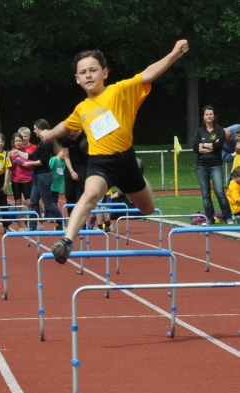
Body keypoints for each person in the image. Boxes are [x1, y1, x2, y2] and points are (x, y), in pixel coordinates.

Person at [39, 40, 190, 264]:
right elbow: (68, 124)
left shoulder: (119, 91)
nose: (88, 75)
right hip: (101, 164)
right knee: (90, 194)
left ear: (105, 73)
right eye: (83, 72)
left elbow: (147, 75)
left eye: (93, 70)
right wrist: (50, 134)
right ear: (77, 79)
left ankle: (140, 177)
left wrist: (173, 55)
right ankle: (67, 241)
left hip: (126, 162)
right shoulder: (82, 109)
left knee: (148, 209)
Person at [193, 105, 233, 225]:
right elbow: (195, 148)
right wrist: (211, 145)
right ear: (203, 117)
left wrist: (203, 145)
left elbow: (218, 146)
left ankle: (228, 217)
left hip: (215, 166)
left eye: (211, 114)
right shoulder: (199, 131)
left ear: (214, 116)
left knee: (219, 192)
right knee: (205, 194)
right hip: (201, 166)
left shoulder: (220, 130)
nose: (209, 116)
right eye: (206, 114)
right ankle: (209, 218)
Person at [26, 119, 64, 231]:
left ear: (41, 129)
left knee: (47, 202)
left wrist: (30, 164)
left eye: (35, 129)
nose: (34, 131)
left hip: (43, 176)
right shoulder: (40, 142)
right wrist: (18, 153)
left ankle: (62, 222)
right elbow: (33, 156)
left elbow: (43, 161)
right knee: (33, 201)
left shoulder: (46, 143)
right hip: (38, 176)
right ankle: (33, 226)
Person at [9, 130, 36, 230]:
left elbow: (31, 166)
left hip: (26, 180)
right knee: (17, 202)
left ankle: (30, 223)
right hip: (16, 180)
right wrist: (13, 161)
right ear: (13, 142)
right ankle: (20, 225)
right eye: (16, 141)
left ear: (22, 141)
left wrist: (22, 162)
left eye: (20, 140)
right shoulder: (10, 153)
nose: (18, 143)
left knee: (29, 202)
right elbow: (9, 168)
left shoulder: (28, 152)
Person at [61, 130, 88, 215]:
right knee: (69, 195)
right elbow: (66, 157)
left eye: (73, 136)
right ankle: (71, 218)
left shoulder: (85, 135)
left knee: (80, 196)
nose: (72, 139)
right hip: (71, 165)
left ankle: (81, 222)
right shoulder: (66, 138)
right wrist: (72, 171)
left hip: (84, 165)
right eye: (70, 137)